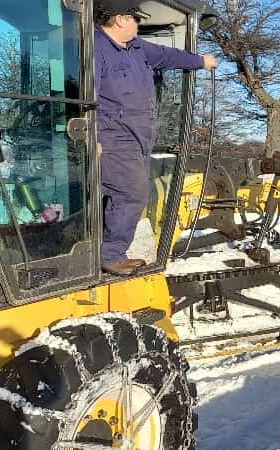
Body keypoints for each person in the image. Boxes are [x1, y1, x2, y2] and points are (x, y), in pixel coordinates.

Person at [95, 0, 218, 275]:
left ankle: (105, 249)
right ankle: (111, 255)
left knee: (122, 194)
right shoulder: (96, 48)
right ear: (119, 20)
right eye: (135, 19)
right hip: (113, 137)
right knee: (131, 193)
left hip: (139, 138)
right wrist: (93, 139)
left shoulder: (138, 48)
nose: (139, 24)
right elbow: (86, 97)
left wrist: (200, 61)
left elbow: (168, 56)